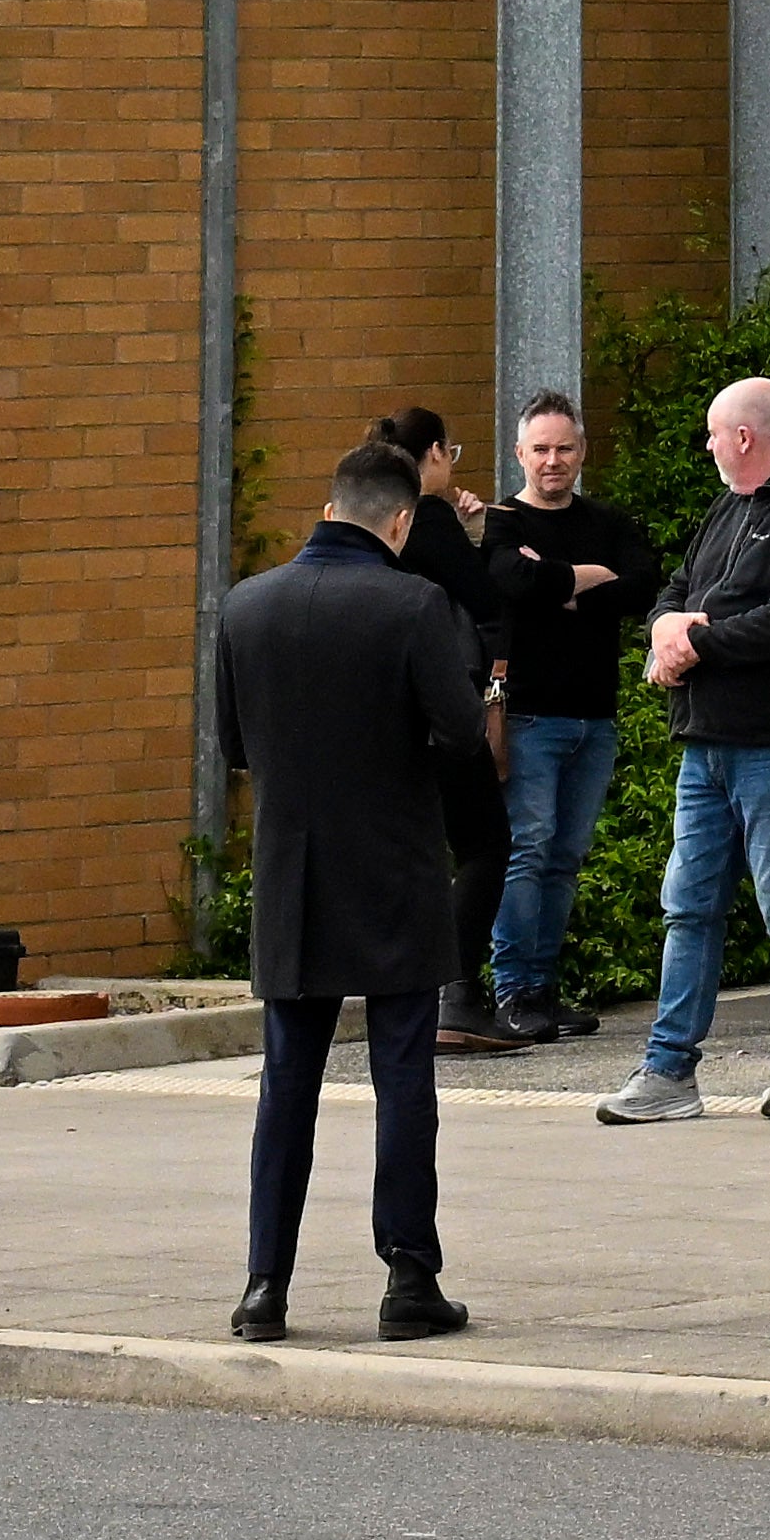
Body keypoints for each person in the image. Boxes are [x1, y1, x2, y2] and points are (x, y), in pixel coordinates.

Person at [219, 434, 501, 1343]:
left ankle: (265, 1285)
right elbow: (460, 736)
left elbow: (233, 746)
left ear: (330, 503)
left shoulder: (245, 607)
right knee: (403, 1076)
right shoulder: (413, 603)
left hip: (292, 878)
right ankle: (408, 1276)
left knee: (286, 1086)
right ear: (401, 518)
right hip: (394, 870)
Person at [601, 375, 770, 1124]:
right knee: (687, 905)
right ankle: (669, 1068)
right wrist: (664, 628)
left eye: (714, 433)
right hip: (704, 741)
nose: (708, 446)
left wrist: (697, 638)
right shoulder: (727, 506)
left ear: (744, 437)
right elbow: (676, 587)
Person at [474, 390, 656, 1041]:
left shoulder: (606, 518)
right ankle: (513, 989)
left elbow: (644, 584)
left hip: (595, 716)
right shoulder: (503, 521)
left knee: (565, 857)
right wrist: (587, 579)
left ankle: (544, 987)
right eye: (541, 448)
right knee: (527, 849)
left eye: (566, 448)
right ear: (519, 452)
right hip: (527, 715)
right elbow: (509, 582)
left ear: (583, 452)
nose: (553, 460)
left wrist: (556, 581)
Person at [371, 409, 516, 1049]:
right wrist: (471, 533)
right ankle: (456, 992)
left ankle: (412, 993)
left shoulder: (373, 522)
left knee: (416, 855)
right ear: (433, 454)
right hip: (443, 711)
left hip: (383, 717)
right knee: (486, 843)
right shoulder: (428, 517)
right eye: (450, 451)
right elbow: (484, 596)